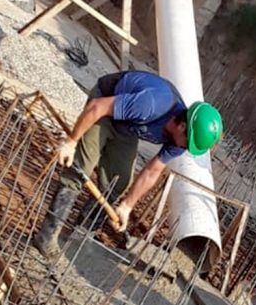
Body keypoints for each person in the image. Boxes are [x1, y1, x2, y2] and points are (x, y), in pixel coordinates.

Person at [32, 71, 223, 257]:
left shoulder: (180, 141)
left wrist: (126, 206)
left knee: (118, 181)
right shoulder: (151, 105)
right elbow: (97, 107)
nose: (187, 149)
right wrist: (71, 142)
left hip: (127, 127)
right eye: (188, 144)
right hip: (105, 105)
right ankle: (46, 236)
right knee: (80, 169)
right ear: (182, 126)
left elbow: (152, 171)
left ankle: (80, 234)